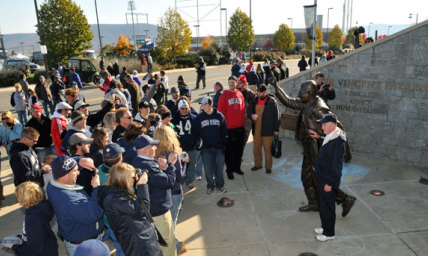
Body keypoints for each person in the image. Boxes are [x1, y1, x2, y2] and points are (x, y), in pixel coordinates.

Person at [270, 78, 356, 216]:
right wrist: (276, 86)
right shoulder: (306, 102)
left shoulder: (318, 107)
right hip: (309, 146)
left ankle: (345, 199)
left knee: (319, 179)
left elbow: (337, 127)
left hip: (317, 146)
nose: (299, 94)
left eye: (302, 92)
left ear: (310, 93)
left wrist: (346, 151)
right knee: (306, 177)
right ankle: (314, 203)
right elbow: (289, 101)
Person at [98, 163, 162, 256]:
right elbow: (143, 210)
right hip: (138, 246)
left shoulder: (116, 191)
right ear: (124, 179)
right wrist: (142, 185)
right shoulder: (115, 199)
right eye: (132, 177)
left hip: (139, 240)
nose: (135, 178)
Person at [47, 155, 104, 256]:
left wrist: (80, 160)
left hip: (75, 237)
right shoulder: (70, 200)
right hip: (86, 245)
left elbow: (62, 162)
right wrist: (96, 189)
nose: (78, 172)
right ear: (64, 174)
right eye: (75, 170)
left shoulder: (52, 184)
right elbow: (95, 213)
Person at [131, 135, 178, 256]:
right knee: (167, 245)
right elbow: (169, 182)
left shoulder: (136, 161)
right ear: (146, 149)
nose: (156, 148)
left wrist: (161, 168)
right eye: (153, 146)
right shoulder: (148, 165)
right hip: (159, 214)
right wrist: (171, 165)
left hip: (149, 212)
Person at [309, 114, 346, 242]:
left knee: (328, 207)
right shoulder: (332, 136)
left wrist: (329, 183)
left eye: (324, 125)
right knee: (323, 205)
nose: (322, 127)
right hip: (323, 177)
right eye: (322, 124)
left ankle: (329, 233)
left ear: (332, 125)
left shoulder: (338, 142)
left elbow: (336, 166)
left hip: (328, 180)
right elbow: (327, 144)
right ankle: (325, 227)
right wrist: (319, 138)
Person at [153, 126, 189, 255]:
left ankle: (176, 244)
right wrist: (185, 163)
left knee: (166, 224)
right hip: (175, 193)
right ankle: (176, 248)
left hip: (162, 195)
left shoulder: (155, 154)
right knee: (171, 224)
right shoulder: (173, 154)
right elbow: (180, 177)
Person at [1, 181, 58, 255]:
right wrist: (18, 238)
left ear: (23, 199)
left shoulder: (33, 219)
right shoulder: (39, 210)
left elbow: (34, 250)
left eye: (18, 197)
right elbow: (34, 235)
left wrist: (14, 246)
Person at [192, 96, 228, 193]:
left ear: (211, 104)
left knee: (219, 170)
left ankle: (220, 185)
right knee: (208, 170)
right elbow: (194, 131)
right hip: (206, 149)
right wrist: (196, 142)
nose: (203, 106)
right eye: (202, 105)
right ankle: (210, 186)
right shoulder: (199, 118)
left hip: (219, 148)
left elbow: (224, 132)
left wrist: (224, 144)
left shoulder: (220, 116)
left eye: (205, 104)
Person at [217, 76, 246, 180]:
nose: (231, 84)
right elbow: (221, 112)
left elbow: (243, 109)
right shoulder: (224, 95)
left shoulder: (240, 94)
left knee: (239, 150)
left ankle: (237, 168)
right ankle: (229, 170)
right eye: (230, 82)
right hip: (229, 128)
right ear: (228, 83)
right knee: (229, 151)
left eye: (233, 82)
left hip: (240, 127)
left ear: (236, 83)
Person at [248, 84, 280, 174]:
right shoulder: (254, 100)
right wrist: (251, 115)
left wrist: (276, 129)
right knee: (256, 148)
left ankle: (268, 167)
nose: (259, 93)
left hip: (268, 129)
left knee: (267, 149)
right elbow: (249, 111)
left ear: (265, 92)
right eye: (258, 91)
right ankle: (258, 165)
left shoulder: (272, 101)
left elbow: (277, 116)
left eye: (261, 91)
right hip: (256, 128)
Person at [172, 99, 197, 189]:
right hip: (181, 148)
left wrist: (197, 142)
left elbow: (198, 131)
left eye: (186, 108)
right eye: (182, 108)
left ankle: (189, 181)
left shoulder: (193, 118)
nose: (185, 110)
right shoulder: (174, 120)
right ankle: (180, 182)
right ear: (179, 109)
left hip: (191, 147)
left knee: (191, 166)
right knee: (180, 167)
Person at [237, 75, 256, 150]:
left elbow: (255, 107)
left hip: (247, 121)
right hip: (237, 120)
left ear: (245, 84)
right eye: (237, 82)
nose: (238, 84)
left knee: (244, 138)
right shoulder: (236, 92)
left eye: (240, 83)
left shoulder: (250, 94)